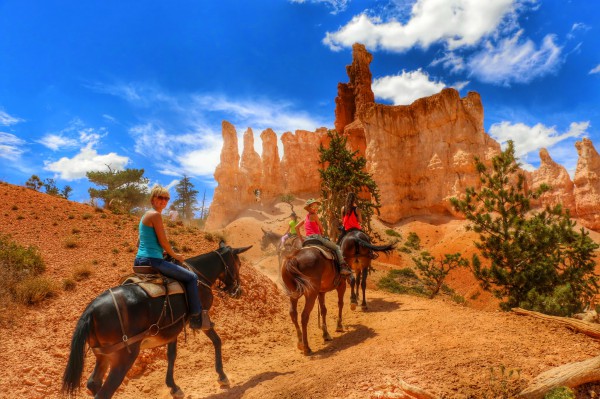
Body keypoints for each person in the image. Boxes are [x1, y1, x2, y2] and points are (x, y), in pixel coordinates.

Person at [134, 185, 211, 330]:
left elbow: (138, 242)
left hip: (140, 261)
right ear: (153, 199)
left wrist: (159, 251)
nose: (164, 201)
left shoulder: (145, 215)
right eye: (160, 198)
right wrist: (175, 255)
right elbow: (164, 242)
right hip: (153, 261)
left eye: (166, 198)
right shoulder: (155, 215)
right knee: (192, 277)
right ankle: (196, 316)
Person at [300, 198, 353, 278]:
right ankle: (342, 267)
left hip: (307, 239)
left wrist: (301, 238)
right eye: (314, 207)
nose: (316, 208)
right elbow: (321, 228)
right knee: (337, 247)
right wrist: (322, 234)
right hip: (316, 237)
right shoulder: (314, 215)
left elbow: (297, 227)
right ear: (310, 208)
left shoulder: (305, 218)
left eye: (316, 206)